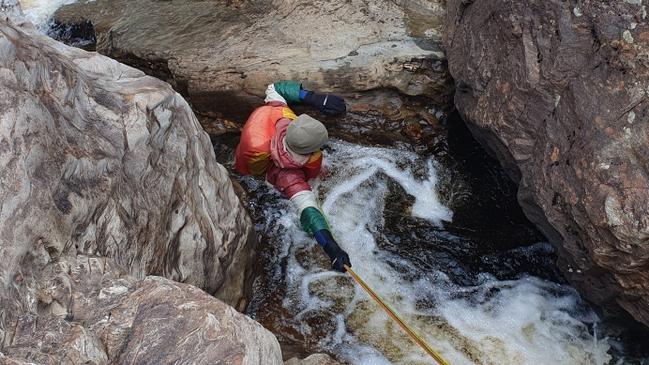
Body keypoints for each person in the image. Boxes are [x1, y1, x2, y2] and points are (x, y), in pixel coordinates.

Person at [234, 81, 352, 272]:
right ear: (307, 152)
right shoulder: (288, 174)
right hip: (269, 177)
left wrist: (315, 99)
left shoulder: (281, 118)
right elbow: (308, 209)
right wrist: (330, 247)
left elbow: (274, 89)